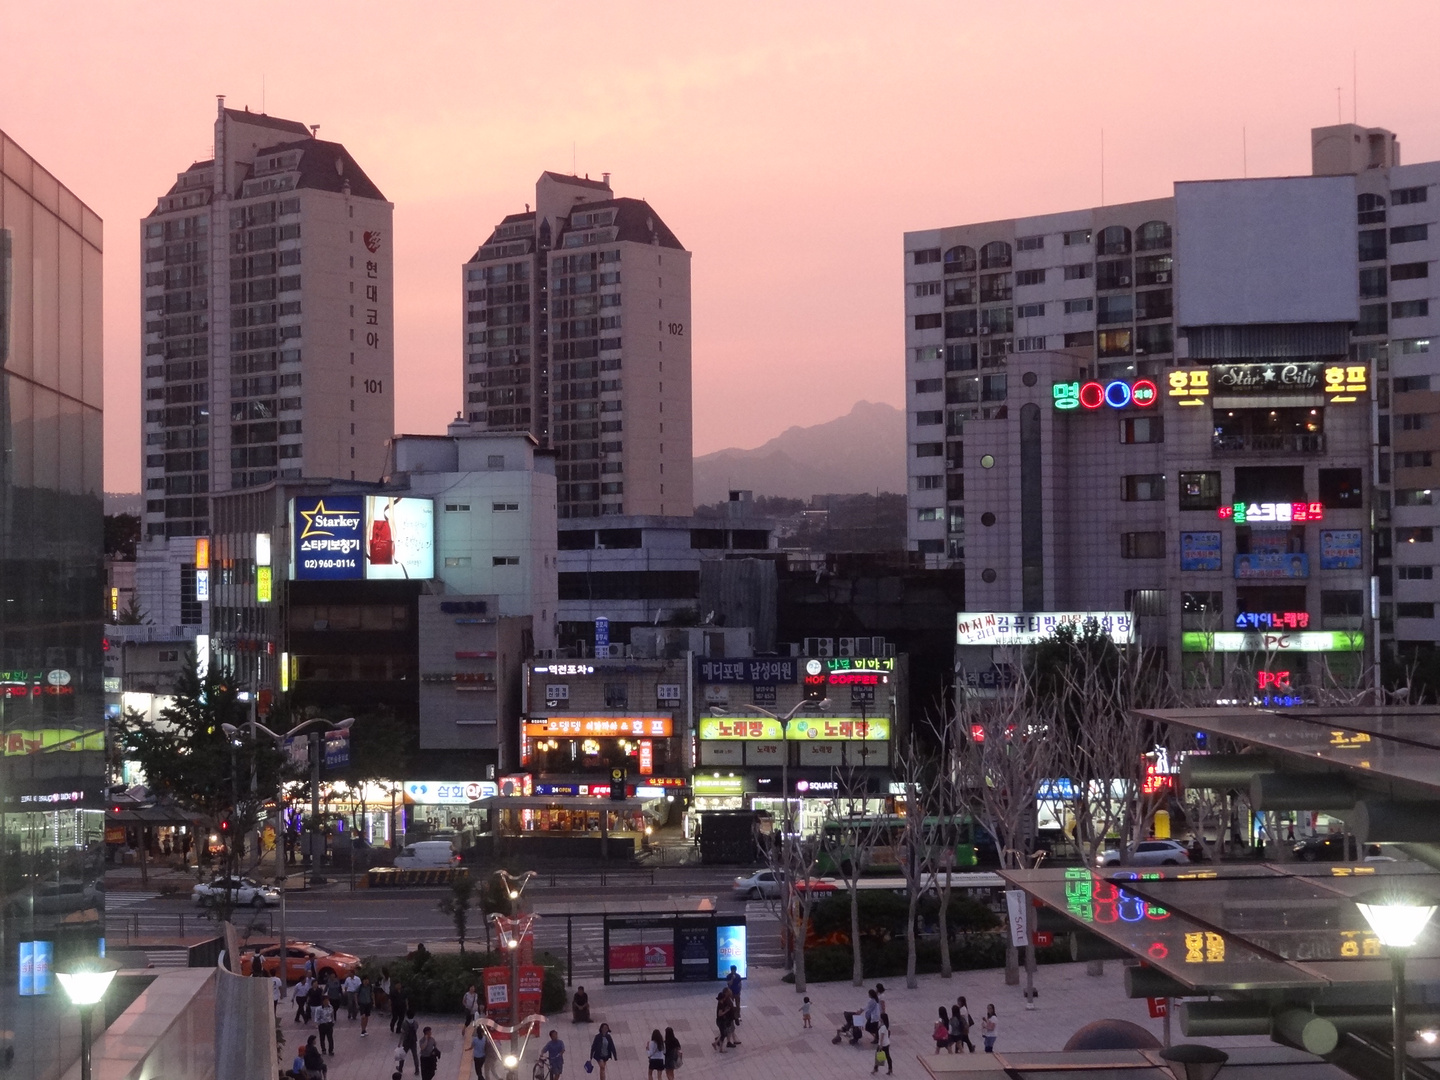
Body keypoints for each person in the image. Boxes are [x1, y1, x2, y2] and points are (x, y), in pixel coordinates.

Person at [401, 1010, 420, 1074]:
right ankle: (417, 1069)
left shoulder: (404, 1023)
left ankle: (400, 1068)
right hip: (413, 1041)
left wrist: (400, 1042)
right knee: (415, 1055)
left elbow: (403, 1033)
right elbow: (416, 1029)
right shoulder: (415, 1023)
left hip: (406, 1041)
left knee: (403, 1055)